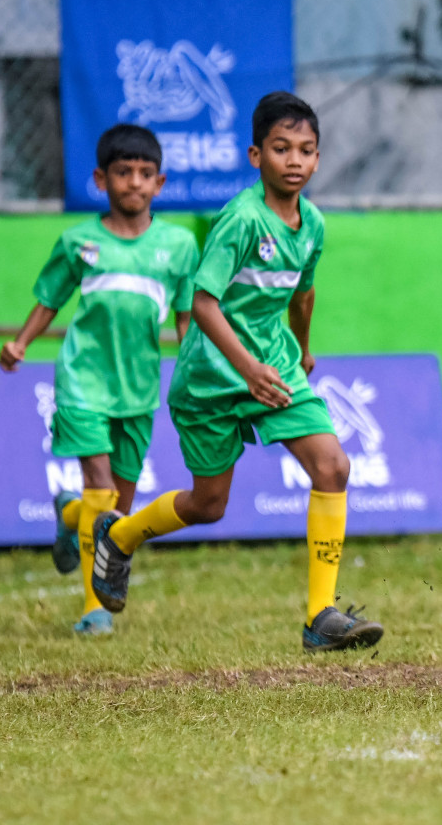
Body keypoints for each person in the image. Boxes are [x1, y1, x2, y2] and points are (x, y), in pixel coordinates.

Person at [88, 92, 383, 652]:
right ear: (256, 156)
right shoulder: (242, 220)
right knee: (209, 505)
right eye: (280, 148)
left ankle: (320, 615)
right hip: (212, 377)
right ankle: (120, 535)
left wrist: (302, 347)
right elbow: (203, 303)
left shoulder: (312, 223)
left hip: (274, 368)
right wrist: (245, 368)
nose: (294, 161)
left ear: (318, 159)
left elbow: (304, 291)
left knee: (333, 465)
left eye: (306, 150)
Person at [0, 124, 198, 636]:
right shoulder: (79, 242)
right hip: (82, 382)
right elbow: (50, 299)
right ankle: (94, 609)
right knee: (101, 487)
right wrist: (21, 343)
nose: (134, 182)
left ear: (160, 183)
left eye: (144, 174)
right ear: (100, 179)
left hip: (138, 390)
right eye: (123, 172)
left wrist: (202, 367)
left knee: (118, 514)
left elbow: (185, 319)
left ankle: (69, 516)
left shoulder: (178, 246)